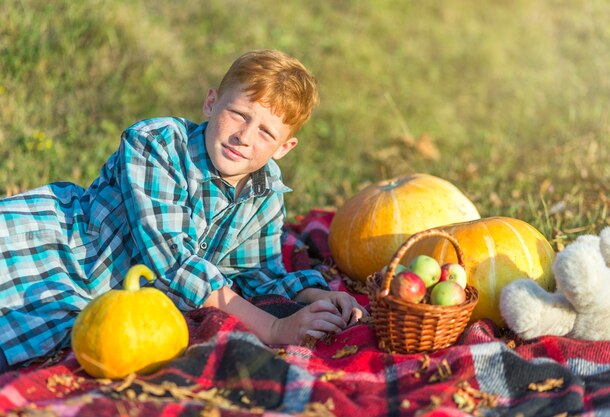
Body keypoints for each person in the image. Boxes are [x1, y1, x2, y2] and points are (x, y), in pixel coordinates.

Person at [0, 49, 367, 372]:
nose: (245, 136)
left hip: (116, 301)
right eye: (239, 114)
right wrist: (273, 329)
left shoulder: (265, 193)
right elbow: (173, 262)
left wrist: (318, 299)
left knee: (37, 339)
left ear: (284, 147)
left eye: (266, 133)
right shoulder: (157, 144)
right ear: (211, 103)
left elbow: (256, 275)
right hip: (65, 250)